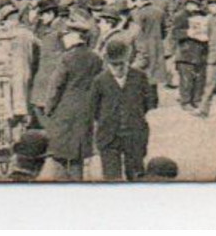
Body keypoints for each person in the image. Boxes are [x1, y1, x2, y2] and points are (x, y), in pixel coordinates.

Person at [43, 17, 103, 180]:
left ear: (76, 36)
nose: (64, 38)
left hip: (65, 109)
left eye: (67, 34)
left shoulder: (67, 58)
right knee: (78, 153)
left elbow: (56, 86)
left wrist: (48, 108)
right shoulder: (96, 58)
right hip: (87, 109)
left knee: (59, 153)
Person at [90, 36, 157, 181]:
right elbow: (94, 110)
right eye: (114, 64)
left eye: (121, 64)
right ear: (107, 62)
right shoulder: (99, 81)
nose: (118, 68)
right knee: (111, 178)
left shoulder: (140, 77)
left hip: (134, 134)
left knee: (136, 176)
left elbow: (148, 102)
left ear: (127, 60)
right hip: (108, 135)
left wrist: (133, 114)